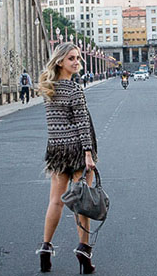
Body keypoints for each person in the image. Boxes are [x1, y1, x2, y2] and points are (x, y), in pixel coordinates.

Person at [36, 42, 98, 274]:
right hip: (77, 151)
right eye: (71, 58)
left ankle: (45, 247)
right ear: (60, 61)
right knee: (82, 203)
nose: (76, 62)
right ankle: (84, 250)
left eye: (78, 57)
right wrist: (88, 154)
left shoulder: (48, 88)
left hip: (56, 150)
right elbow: (82, 124)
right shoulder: (74, 89)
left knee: (55, 201)